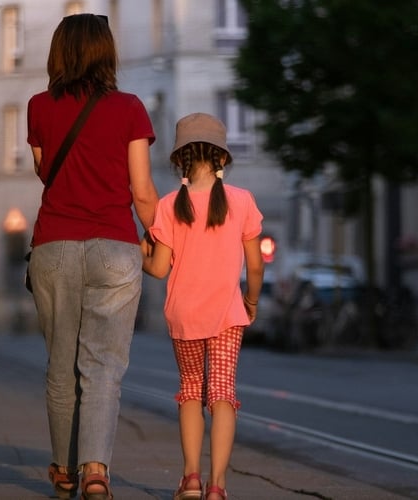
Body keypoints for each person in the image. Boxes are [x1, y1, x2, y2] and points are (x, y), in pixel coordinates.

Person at [26, 13, 158, 500]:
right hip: (115, 248)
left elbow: (45, 171)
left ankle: (63, 469)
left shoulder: (39, 107)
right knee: (103, 367)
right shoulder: (130, 108)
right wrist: (157, 236)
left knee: (61, 364)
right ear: (107, 52)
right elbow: (142, 192)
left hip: (54, 246)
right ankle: (96, 471)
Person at [140, 113, 264, 500]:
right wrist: (251, 301)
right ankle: (217, 486)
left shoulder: (167, 206)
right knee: (223, 394)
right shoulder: (242, 201)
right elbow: (255, 266)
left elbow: (159, 269)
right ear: (222, 158)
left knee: (191, 391)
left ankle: (190, 479)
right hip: (227, 313)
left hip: (184, 314)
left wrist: (141, 253)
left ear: (180, 160)